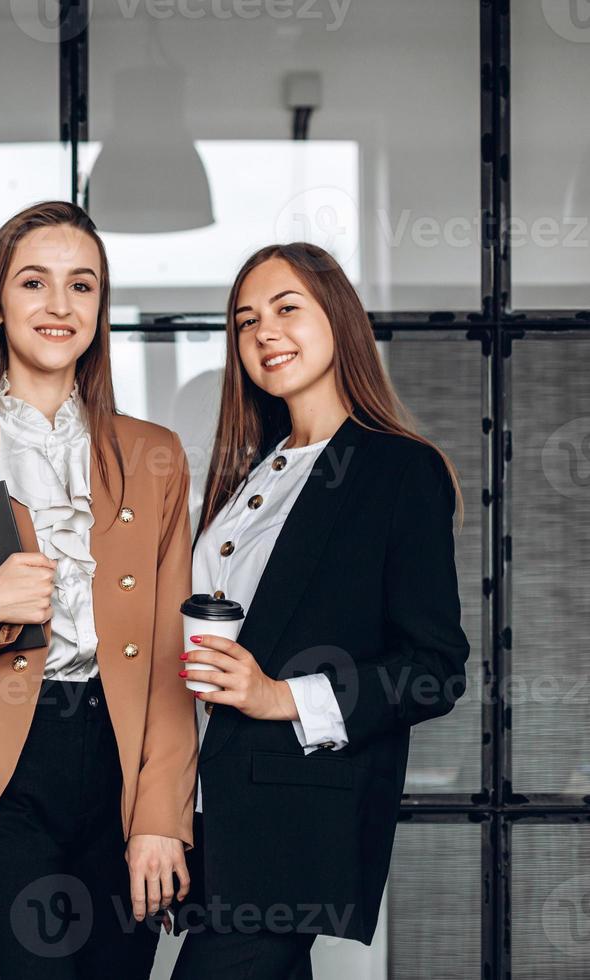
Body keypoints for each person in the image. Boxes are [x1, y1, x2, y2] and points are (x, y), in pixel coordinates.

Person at [0, 200, 197, 980]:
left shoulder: (155, 454)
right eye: (34, 282)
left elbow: (175, 654)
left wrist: (161, 816)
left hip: (122, 762)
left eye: (83, 286)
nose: (59, 306)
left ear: (100, 309)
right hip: (3, 763)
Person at [172, 242, 470, 979]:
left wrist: (280, 697)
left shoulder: (398, 469)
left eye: (286, 309)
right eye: (245, 321)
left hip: (288, 826)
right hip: (209, 815)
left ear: (338, 318)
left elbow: (435, 670)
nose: (264, 332)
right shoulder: (247, 473)